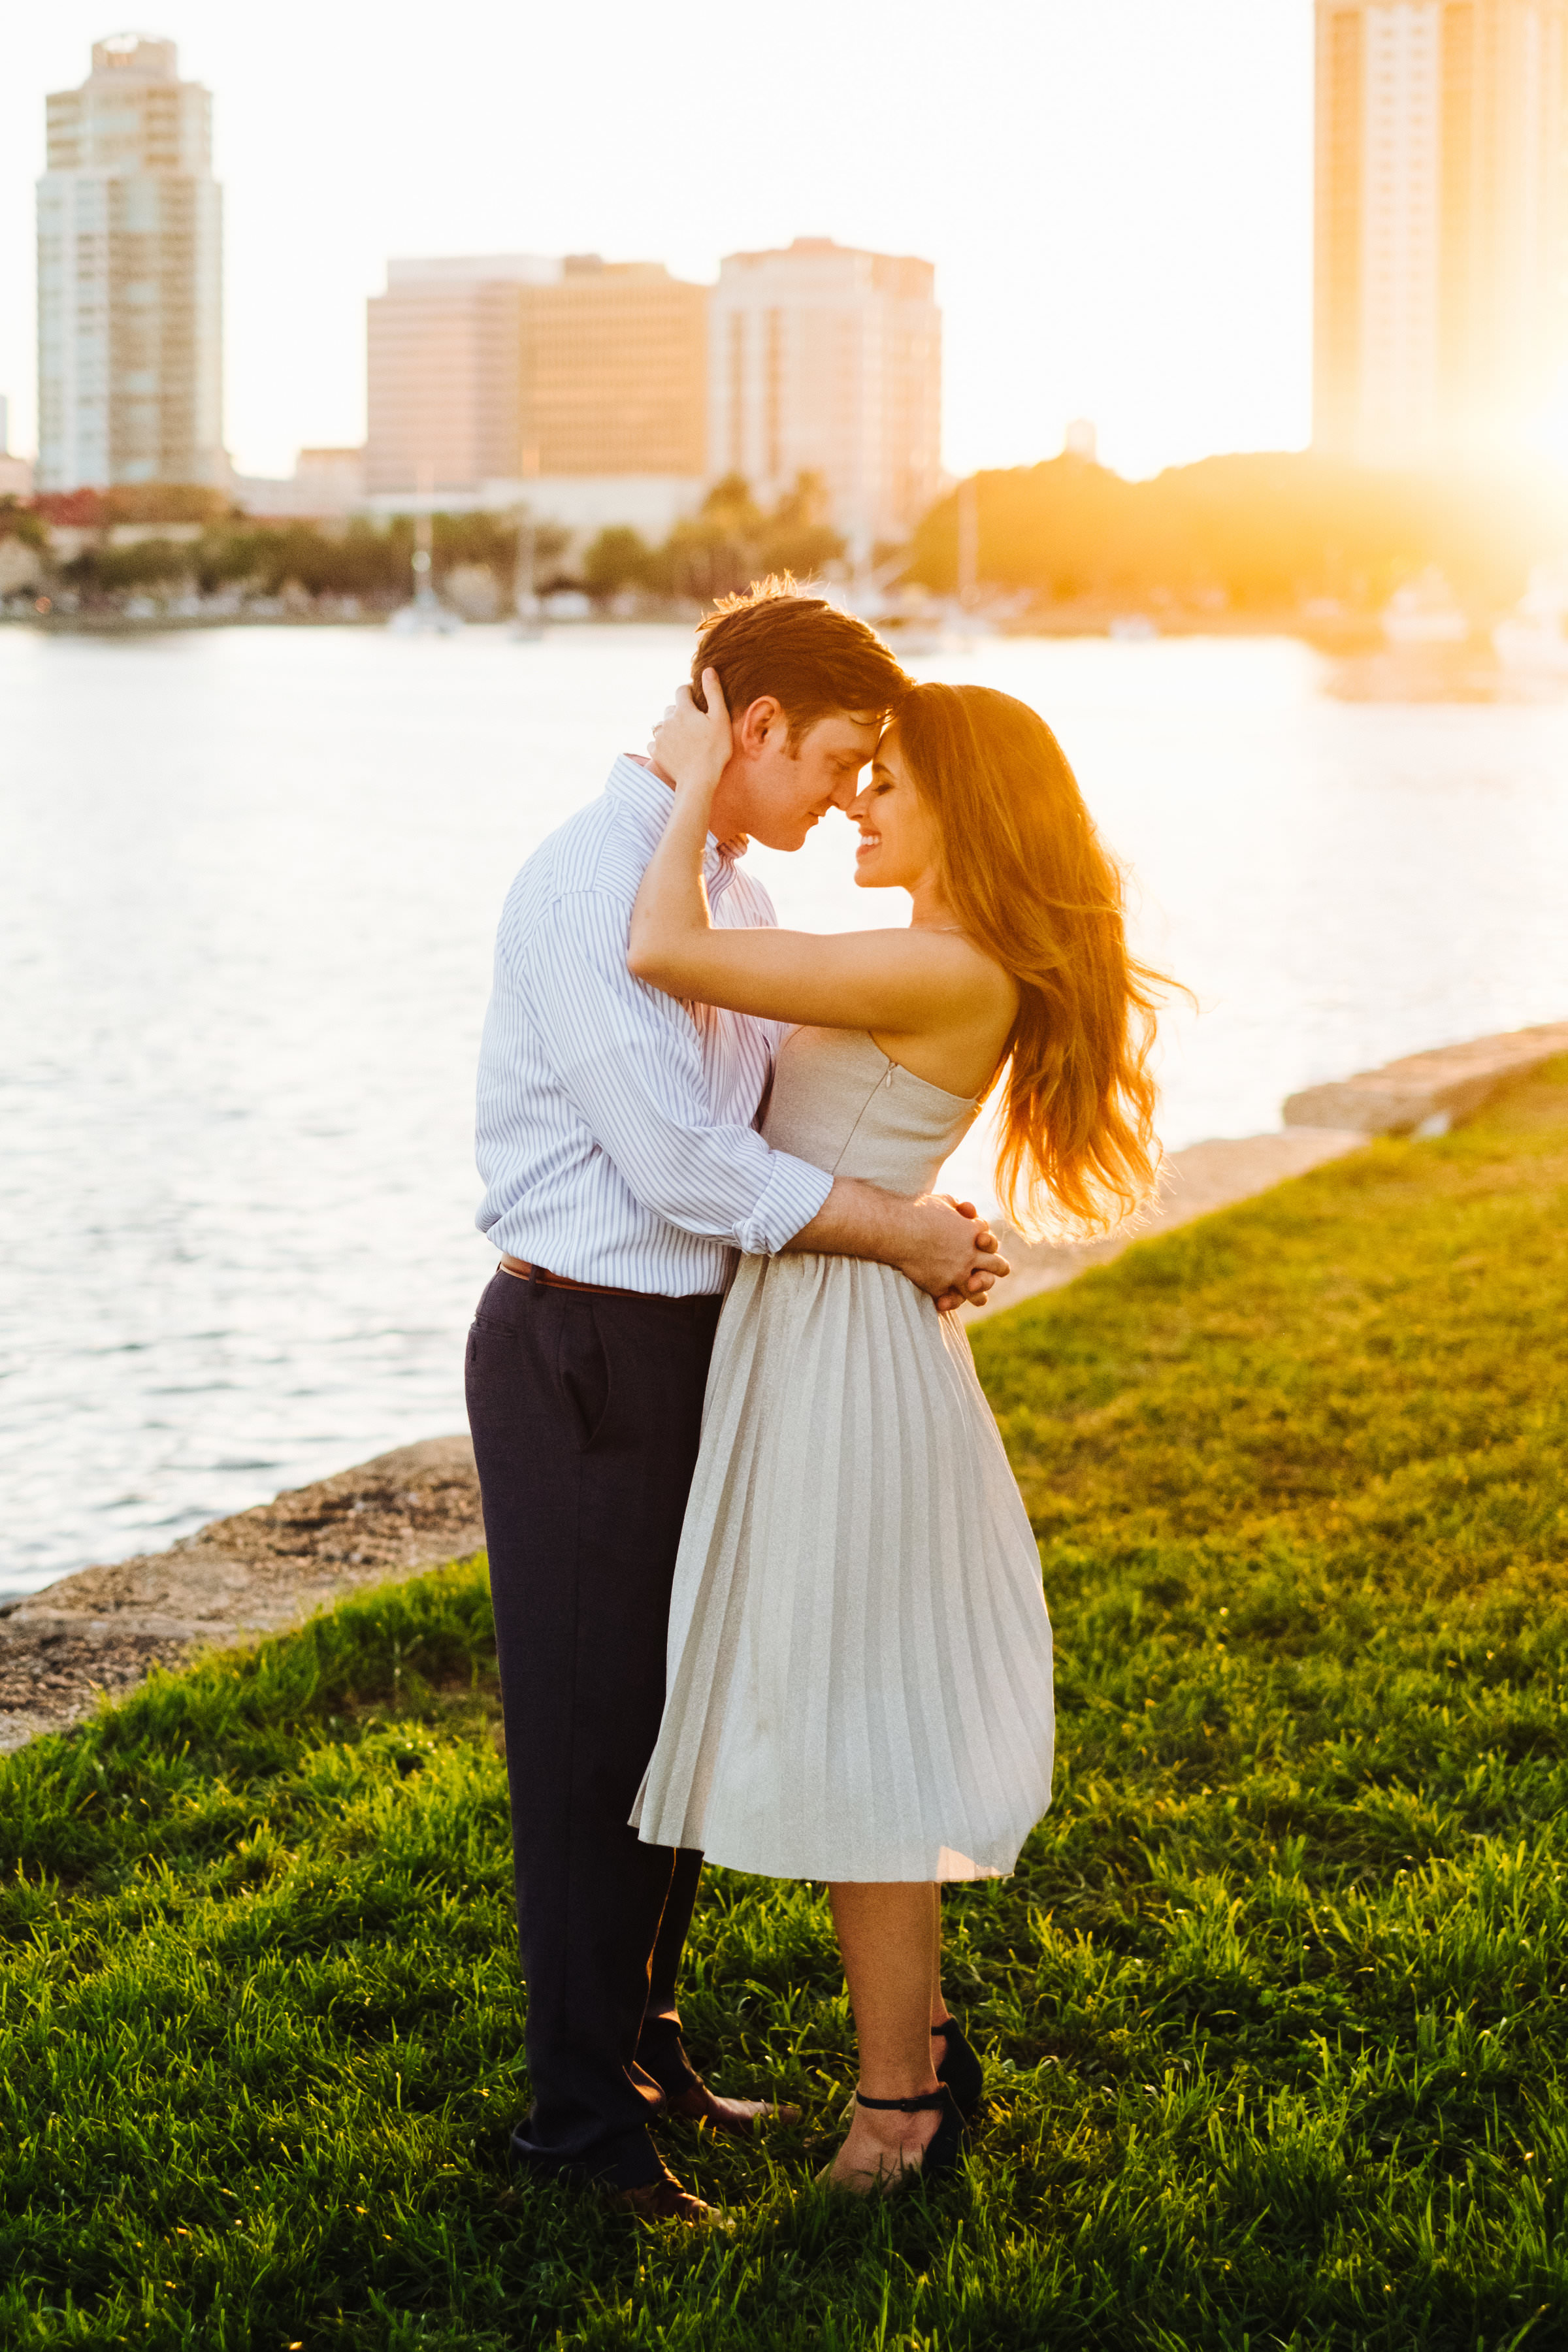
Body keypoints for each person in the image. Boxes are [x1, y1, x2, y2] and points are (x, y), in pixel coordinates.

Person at [465, 583, 1009, 2223]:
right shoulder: (583, 887)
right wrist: (905, 1230)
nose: (853, 793)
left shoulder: (732, 876)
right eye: (842, 756)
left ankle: (648, 2057)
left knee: (671, 1723)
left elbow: (831, 1079)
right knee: (587, 1749)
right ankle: (581, 2135)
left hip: (701, 1349)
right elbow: (686, 1165)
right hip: (585, 1351)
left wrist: (906, 1200)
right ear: (752, 728)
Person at [630, 669, 1168, 2194]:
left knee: (859, 1731)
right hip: (834, 1335)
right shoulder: (942, 960)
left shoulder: (938, 962)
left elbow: (666, 946)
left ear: (961, 814)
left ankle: (898, 2115)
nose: (860, 802)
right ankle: (920, 2055)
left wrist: (684, 782)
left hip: (841, 1354)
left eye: (889, 783)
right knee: (844, 1704)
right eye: (858, 776)